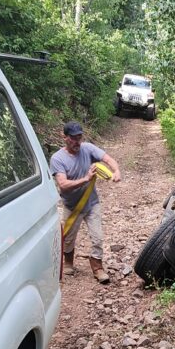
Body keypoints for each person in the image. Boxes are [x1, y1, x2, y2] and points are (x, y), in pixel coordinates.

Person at [50, 121, 121, 284]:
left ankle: (97, 267)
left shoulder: (87, 148)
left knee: (98, 237)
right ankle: (68, 263)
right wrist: (86, 179)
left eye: (79, 137)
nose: (77, 142)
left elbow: (107, 158)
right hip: (71, 206)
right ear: (65, 138)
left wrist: (116, 170)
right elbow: (63, 185)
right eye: (73, 138)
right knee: (68, 238)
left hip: (92, 204)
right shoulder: (57, 159)